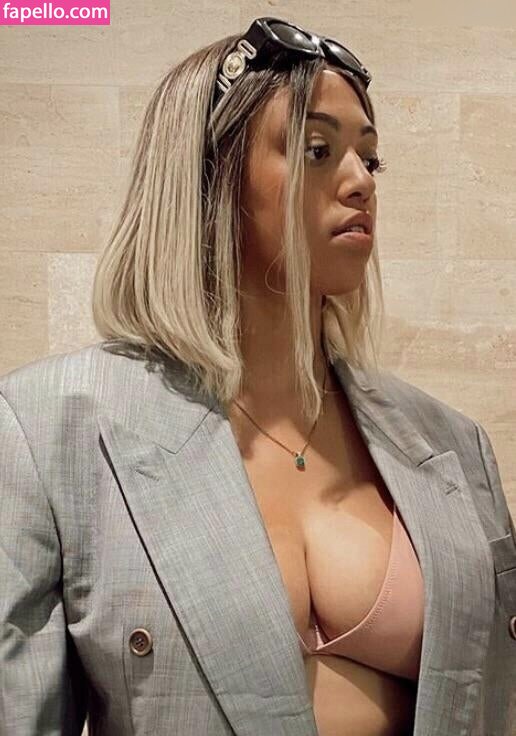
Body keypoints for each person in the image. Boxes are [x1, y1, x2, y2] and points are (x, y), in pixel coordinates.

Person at [0, 16, 514, 736]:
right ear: (208, 178)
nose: (359, 182)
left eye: (371, 158)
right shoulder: (51, 428)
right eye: (316, 150)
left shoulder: (452, 446)